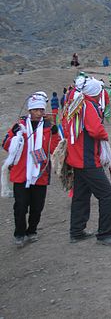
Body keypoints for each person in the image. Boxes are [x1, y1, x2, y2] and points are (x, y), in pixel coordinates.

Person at [65, 77, 111, 246]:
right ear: (96, 93)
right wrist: (105, 136)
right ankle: (105, 234)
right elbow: (96, 130)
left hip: (77, 158)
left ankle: (76, 231)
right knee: (107, 194)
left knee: (81, 195)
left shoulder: (77, 104)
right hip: (88, 159)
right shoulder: (88, 106)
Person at [2, 92, 60, 248]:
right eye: (36, 110)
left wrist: (54, 132)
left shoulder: (49, 127)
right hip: (21, 173)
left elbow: (56, 149)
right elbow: (6, 145)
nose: (39, 113)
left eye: (41, 109)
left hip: (40, 173)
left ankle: (32, 230)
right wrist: (15, 137)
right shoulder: (19, 126)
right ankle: (19, 233)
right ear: (30, 110)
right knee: (20, 206)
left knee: (37, 206)